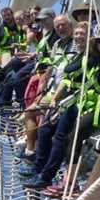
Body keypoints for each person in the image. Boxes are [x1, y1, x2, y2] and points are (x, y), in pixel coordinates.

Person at [22, 26, 100, 189]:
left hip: (98, 108)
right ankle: (45, 176)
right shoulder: (92, 59)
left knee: (74, 137)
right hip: (80, 102)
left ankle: (69, 182)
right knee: (58, 135)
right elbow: (70, 73)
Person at [19, 13, 74, 160]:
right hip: (52, 90)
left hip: (67, 94)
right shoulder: (57, 44)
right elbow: (52, 65)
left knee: (47, 129)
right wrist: (44, 82)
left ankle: (42, 158)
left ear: (71, 26)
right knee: (29, 113)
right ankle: (30, 151)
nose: (61, 28)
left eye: (63, 25)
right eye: (58, 26)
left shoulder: (79, 44)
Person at [0, 9, 58, 106]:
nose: (43, 23)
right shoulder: (47, 33)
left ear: (52, 18)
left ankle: (21, 105)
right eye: (41, 21)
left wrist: (32, 53)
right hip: (37, 60)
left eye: (45, 20)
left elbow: (31, 42)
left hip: (44, 65)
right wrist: (32, 54)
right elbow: (41, 50)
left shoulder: (54, 32)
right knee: (14, 65)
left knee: (16, 77)